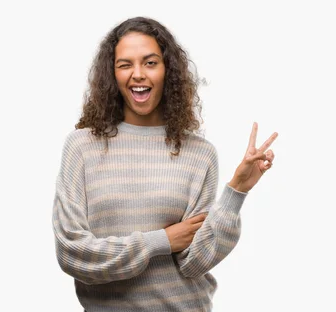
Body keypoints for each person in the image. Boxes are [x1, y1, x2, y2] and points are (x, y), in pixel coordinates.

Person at [52, 16, 277, 311]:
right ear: (112, 75)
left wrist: (237, 190)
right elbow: (73, 252)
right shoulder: (81, 147)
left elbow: (195, 262)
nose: (138, 74)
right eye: (125, 64)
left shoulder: (199, 153)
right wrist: (161, 241)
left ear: (167, 70)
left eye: (150, 62)